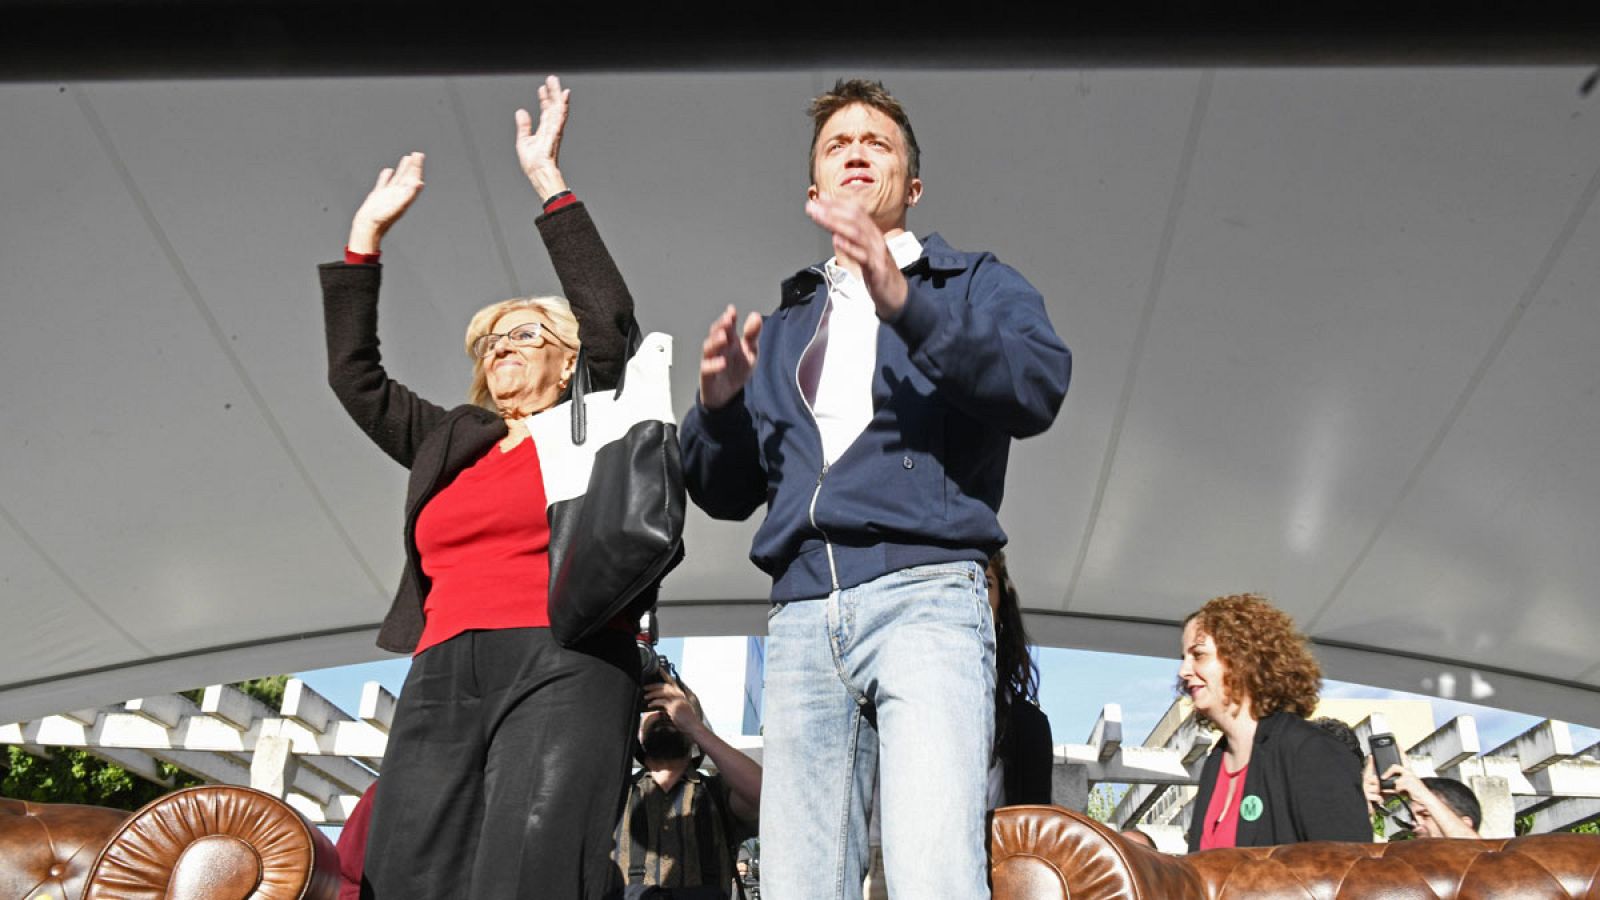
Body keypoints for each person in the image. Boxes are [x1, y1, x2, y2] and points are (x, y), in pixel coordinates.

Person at [679, 78, 1072, 900]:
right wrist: (716, 411)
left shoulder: (971, 283)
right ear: (814, 188)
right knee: (798, 884)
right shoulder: (785, 326)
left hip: (927, 598)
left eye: (877, 142)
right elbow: (723, 492)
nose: (856, 150)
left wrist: (905, 303)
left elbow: (1037, 383)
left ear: (913, 186)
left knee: (933, 874)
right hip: (800, 617)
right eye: (837, 144)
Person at [322, 76, 641, 899]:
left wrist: (546, 179)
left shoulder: (595, 423)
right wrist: (365, 239)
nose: (501, 346)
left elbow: (609, 320)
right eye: (490, 340)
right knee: (407, 869)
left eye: (524, 333)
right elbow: (356, 378)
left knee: (532, 869)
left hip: (563, 657)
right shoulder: (452, 441)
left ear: (567, 361)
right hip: (442, 667)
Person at [1178, 594, 1371, 851]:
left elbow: (1349, 869)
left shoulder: (1311, 751)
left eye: (1198, 655)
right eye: (1183, 658)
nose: (1183, 671)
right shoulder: (1215, 762)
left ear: (1243, 658)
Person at [614, 671, 761, 898]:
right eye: (655, 706)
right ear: (640, 729)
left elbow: (763, 793)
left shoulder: (716, 794)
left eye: (675, 709)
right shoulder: (615, 794)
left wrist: (695, 728)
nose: (665, 714)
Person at [987, 550, 1054, 807]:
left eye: (986, 584)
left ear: (1002, 606)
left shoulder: (1029, 725)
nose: (973, 595)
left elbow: (1032, 823)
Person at [1364, 758, 1482, 838]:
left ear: (1466, 824)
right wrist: (1363, 812)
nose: (1415, 824)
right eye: (1412, 817)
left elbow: (1477, 850)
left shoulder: (1485, 863)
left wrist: (1422, 794)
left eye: (1425, 815)